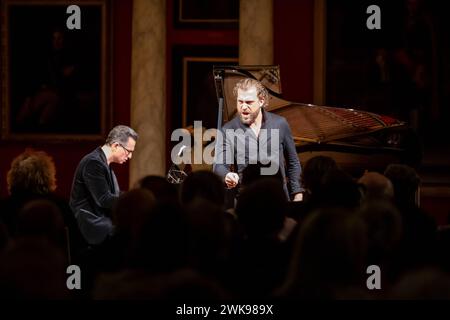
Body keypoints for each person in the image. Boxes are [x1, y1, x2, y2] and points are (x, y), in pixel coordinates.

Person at [213, 78, 304, 204]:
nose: (243, 107)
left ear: (261, 101)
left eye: (249, 102)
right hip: (245, 200)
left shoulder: (280, 123)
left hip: (277, 199)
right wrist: (227, 175)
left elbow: (293, 162)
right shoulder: (228, 129)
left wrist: (298, 193)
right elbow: (219, 166)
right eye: (240, 102)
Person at [69, 125, 138, 246]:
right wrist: (132, 201)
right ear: (116, 145)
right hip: (90, 224)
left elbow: (114, 195)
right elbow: (103, 199)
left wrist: (134, 195)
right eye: (129, 151)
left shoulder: (103, 162)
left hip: (99, 221)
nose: (130, 156)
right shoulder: (93, 162)